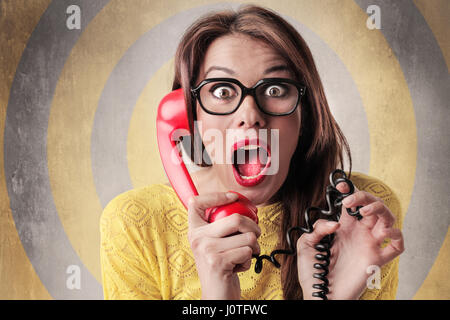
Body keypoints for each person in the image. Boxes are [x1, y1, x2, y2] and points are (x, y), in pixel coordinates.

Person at [100, 5, 404, 300]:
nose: (250, 113)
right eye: (221, 90)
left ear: (305, 114)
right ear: (188, 117)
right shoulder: (135, 223)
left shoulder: (362, 214)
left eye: (274, 89)